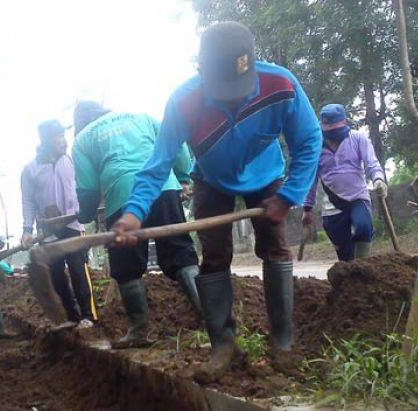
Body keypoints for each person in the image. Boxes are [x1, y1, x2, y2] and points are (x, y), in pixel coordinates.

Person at [111, 22, 322, 382]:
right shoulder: (183, 101)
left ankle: (283, 343)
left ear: (252, 66)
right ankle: (223, 345)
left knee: (274, 248)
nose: (234, 98)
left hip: (266, 173)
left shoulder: (281, 84)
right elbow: (157, 165)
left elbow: (309, 139)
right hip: (210, 179)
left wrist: (288, 196)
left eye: (239, 89)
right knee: (215, 257)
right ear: (201, 71)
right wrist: (133, 214)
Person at [72, 101, 201, 348]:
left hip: (122, 196)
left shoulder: (82, 139)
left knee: (126, 265)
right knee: (181, 254)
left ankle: (139, 331)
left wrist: (85, 214)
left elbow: (87, 190)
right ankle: (210, 318)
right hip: (163, 186)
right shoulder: (140, 116)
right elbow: (176, 143)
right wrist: (184, 178)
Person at [21, 119, 97, 328]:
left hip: (72, 225)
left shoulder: (71, 161)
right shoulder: (30, 170)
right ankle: (71, 317)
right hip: (48, 230)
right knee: (55, 274)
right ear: (46, 141)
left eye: (64, 136)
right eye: (58, 137)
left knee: (77, 269)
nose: (63, 141)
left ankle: (88, 316)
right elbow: (27, 201)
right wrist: (27, 230)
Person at [302, 104, 387, 261]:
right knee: (345, 254)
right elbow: (311, 180)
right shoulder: (316, 147)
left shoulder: (358, 138)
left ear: (345, 123)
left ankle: (363, 267)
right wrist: (307, 208)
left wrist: (379, 179)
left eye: (336, 129)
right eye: (329, 130)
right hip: (332, 205)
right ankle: (349, 273)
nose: (332, 135)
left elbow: (372, 163)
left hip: (357, 197)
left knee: (363, 227)